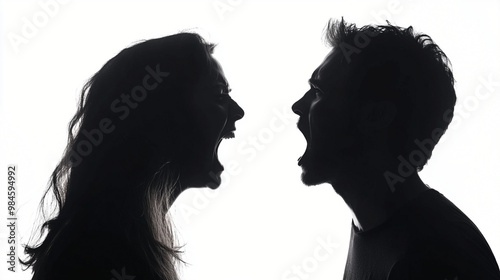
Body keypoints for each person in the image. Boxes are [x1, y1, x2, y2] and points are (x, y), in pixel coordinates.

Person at [22, 33, 244, 280]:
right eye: (219, 94)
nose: (238, 112)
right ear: (162, 115)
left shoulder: (101, 244)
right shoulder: (93, 255)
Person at [292, 18, 500, 279]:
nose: (298, 105)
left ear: (376, 116)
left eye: (318, 91)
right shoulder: (377, 225)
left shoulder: (432, 259)